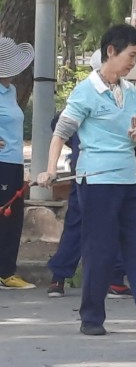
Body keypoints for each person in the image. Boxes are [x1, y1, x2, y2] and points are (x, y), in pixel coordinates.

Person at [37, 24, 136, 336]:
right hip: (96, 182)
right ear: (111, 51)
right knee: (101, 249)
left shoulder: (131, 92)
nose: (133, 62)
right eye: (131, 55)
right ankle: (91, 318)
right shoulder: (85, 92)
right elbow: (60, 133)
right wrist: (50, 169)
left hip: (128, 180)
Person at [46, 112, 132, 299]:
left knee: (77, 222)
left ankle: (58, 278)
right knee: (110, 224)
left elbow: (58, 125)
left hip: (87, 167)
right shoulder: (106, 100)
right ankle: (115, 279)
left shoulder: (86, 98)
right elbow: (58, 126)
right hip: (103, 170)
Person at [0, 37, 36, 290]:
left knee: (13, 218)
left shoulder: (10, 91)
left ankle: (7, 271)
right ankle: (4, 272)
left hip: (14, 161)